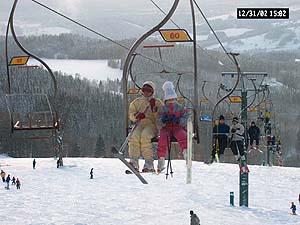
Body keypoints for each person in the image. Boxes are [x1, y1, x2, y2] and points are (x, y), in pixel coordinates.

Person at [128, 81, 163, 173]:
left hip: (151, 125)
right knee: (134, 136)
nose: (146, 92)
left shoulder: (157, 102)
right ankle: (134, 161)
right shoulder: (136, 102)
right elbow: (131, 114)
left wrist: (154, 109)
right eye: (144, 90)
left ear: (152, 92)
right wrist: (136, 115)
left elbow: (161, 117)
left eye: (149, 90)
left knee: (145, 136)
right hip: (139, 124)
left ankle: (149, 163)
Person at [157, 81, 188, 173]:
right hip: (166, 128)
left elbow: (186, 118)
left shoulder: (180, 107)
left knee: (182, 136)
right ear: (166, 100)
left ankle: (186, 153)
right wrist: (163, 120)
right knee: (163, 140)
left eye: (173, 100)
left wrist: (179, 121)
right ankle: (161, 161)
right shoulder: (162, 108)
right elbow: (158, 120)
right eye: (169, 100)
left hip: (177, 127)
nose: (171, 102)